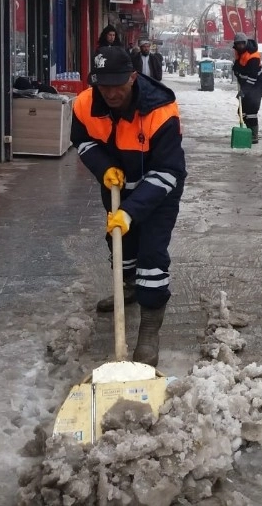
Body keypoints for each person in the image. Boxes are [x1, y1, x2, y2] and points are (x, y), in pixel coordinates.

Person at [70, 45, 186, 366]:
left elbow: (169, 171)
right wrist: (103, 166)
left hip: (158, 191)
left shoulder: (160, 110)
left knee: (151, 255)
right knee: (121, 246)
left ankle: (149, 329)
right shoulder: (85, 104)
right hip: (118, 185)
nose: (109, 92)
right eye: (102, 85)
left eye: (117, 84)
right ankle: (128, 289)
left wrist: (131, 211)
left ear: (133, 77)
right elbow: (82, 140)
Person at [231, 32, 262, 143]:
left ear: (246, 43)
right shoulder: (239, 53)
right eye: (238, 44)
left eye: (242, 44)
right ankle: (248, 132)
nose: (240, 46)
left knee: (251, 112)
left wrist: (244, 91)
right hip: (246, 86)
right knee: (242, 111)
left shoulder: (253, 56)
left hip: (256, 87)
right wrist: (236, 70)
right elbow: (240, 68)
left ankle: (254, 136)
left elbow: (252, 78)